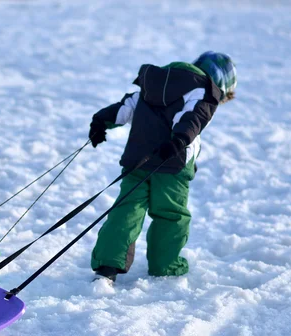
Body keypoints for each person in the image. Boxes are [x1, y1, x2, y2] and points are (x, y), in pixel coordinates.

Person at [88, 51, 237, 283]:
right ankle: (165, 265)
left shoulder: (155, 83)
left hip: (137, 161)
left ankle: (107, 268)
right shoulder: (202, 91)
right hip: (173, 165)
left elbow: (126, 107)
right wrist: (178, 141)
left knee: (126, 210)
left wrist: (100, 122)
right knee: (170, 214)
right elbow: (192, 118)